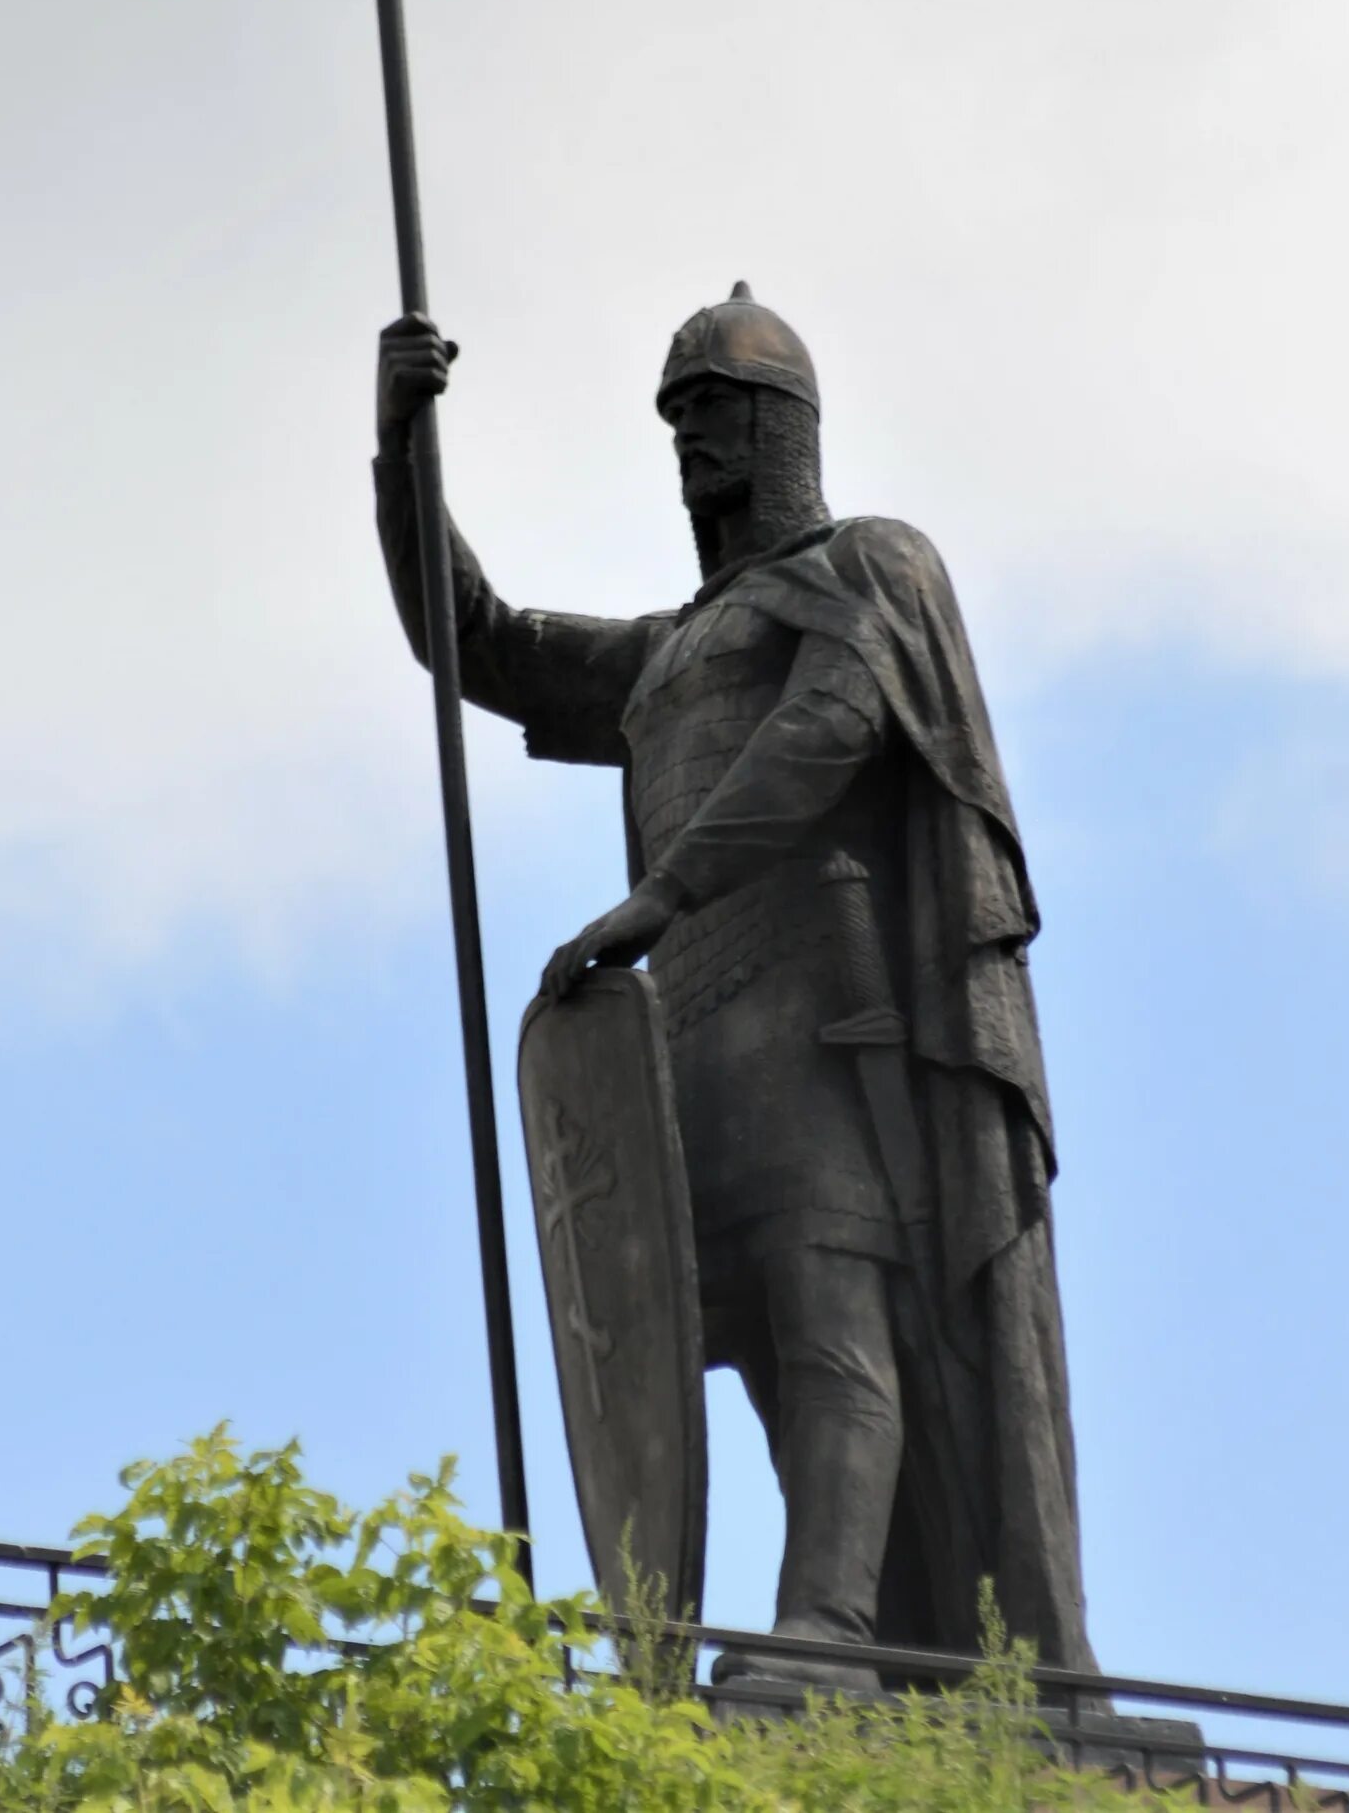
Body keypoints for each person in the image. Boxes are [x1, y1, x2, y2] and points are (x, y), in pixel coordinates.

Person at [372, 286, 1097, 1688]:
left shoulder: (872, 564)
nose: (687, 440)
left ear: (780, 427)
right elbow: (481, 642)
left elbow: (825, 731)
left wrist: (655, 895)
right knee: (763, 1346)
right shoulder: (668, 650)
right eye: (674, 416)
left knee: (838, 1319)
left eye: (710, 409)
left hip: (831, 1014)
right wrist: (406, 453)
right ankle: (847, 1625)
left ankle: (826, 1632)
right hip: (696, 1036)